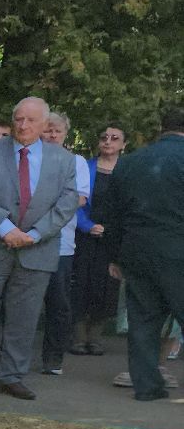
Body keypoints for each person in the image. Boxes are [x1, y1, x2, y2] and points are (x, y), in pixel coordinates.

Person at [0, 97, 80, 399]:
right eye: (19, 119)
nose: (23, 125)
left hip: (37, 249)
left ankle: (12, 376)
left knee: (25, 318)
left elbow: (67, 203)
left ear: (44, 124)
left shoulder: (63, 159)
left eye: (31, 120)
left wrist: (35, 234)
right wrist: (4, 227)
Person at [93, 107, 184, 401]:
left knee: (143, 320)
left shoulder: (130, 163)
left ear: (162, 128)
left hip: (137, 251)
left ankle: (147, 387)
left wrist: (115, 256)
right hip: (178, 251)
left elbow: (111, 214)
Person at [35, 111, 92, 375]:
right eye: (47, 130)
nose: (52, 135)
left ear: (65, 134)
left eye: (57, 131)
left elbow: (79, 198)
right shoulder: (28, 158)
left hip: (61, 243)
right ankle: (12, 356)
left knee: (58, 302)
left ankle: (53, 358)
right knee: (21, 302)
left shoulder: (76, 162)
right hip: (25, 240)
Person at [72, 123, 127, 355]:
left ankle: (95, 337)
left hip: (113, 238)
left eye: (114, 138)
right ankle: (78, 337)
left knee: (107, 286)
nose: (108, 141)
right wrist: (87, 226)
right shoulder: (85, 167)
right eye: (104, 137)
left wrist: (112, 230)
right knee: (80, 284)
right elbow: (74, 201)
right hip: (84, 235)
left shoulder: (128, 171)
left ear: (124, 144)